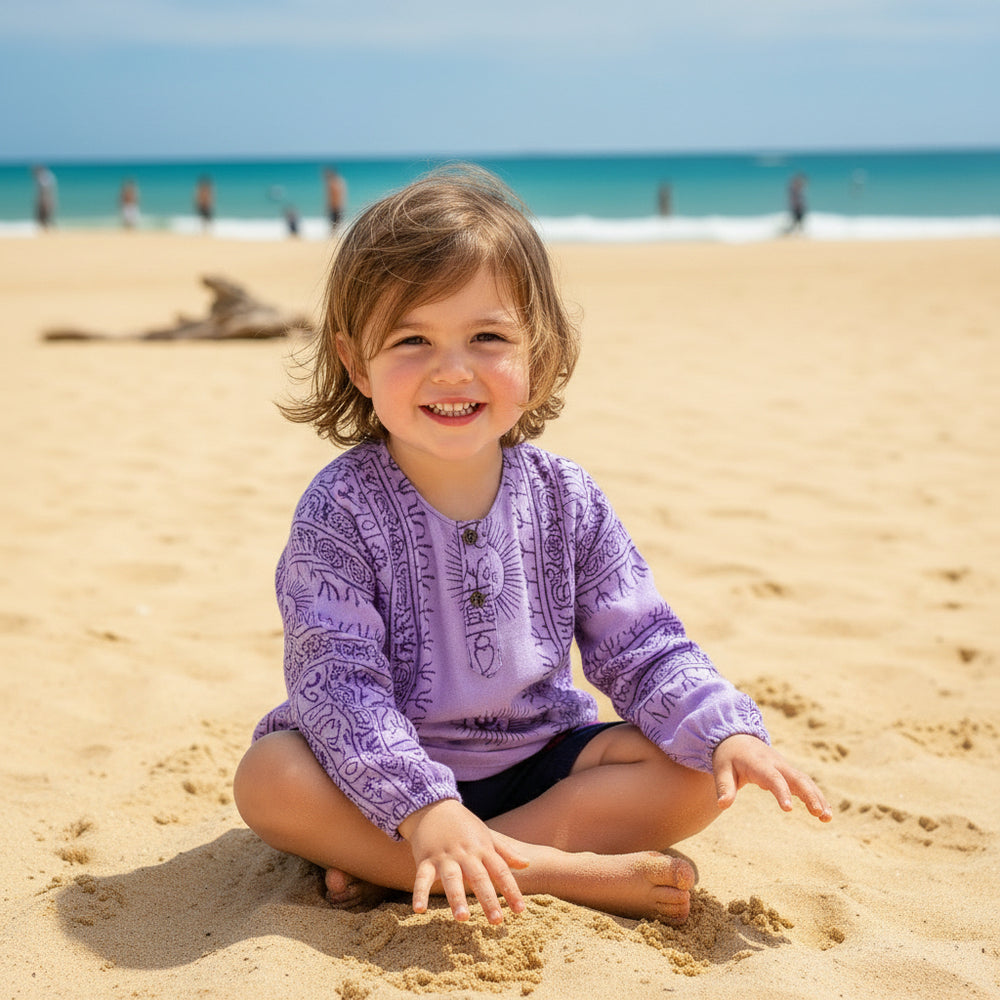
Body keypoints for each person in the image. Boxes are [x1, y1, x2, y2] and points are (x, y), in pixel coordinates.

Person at [233, 166, 831, 929]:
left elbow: (641, 641)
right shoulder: (338, 508)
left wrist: (728, 728)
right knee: (269, 777)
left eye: (487, 337)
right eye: (412, 339)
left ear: (537, 353)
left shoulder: (565, 496)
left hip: (538, 763)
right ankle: (549, 872)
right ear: (357, 363)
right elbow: (336, 682)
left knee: (691, 774)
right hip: (380, 779)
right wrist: (423, 809)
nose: (453, 368)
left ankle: (427, 868)